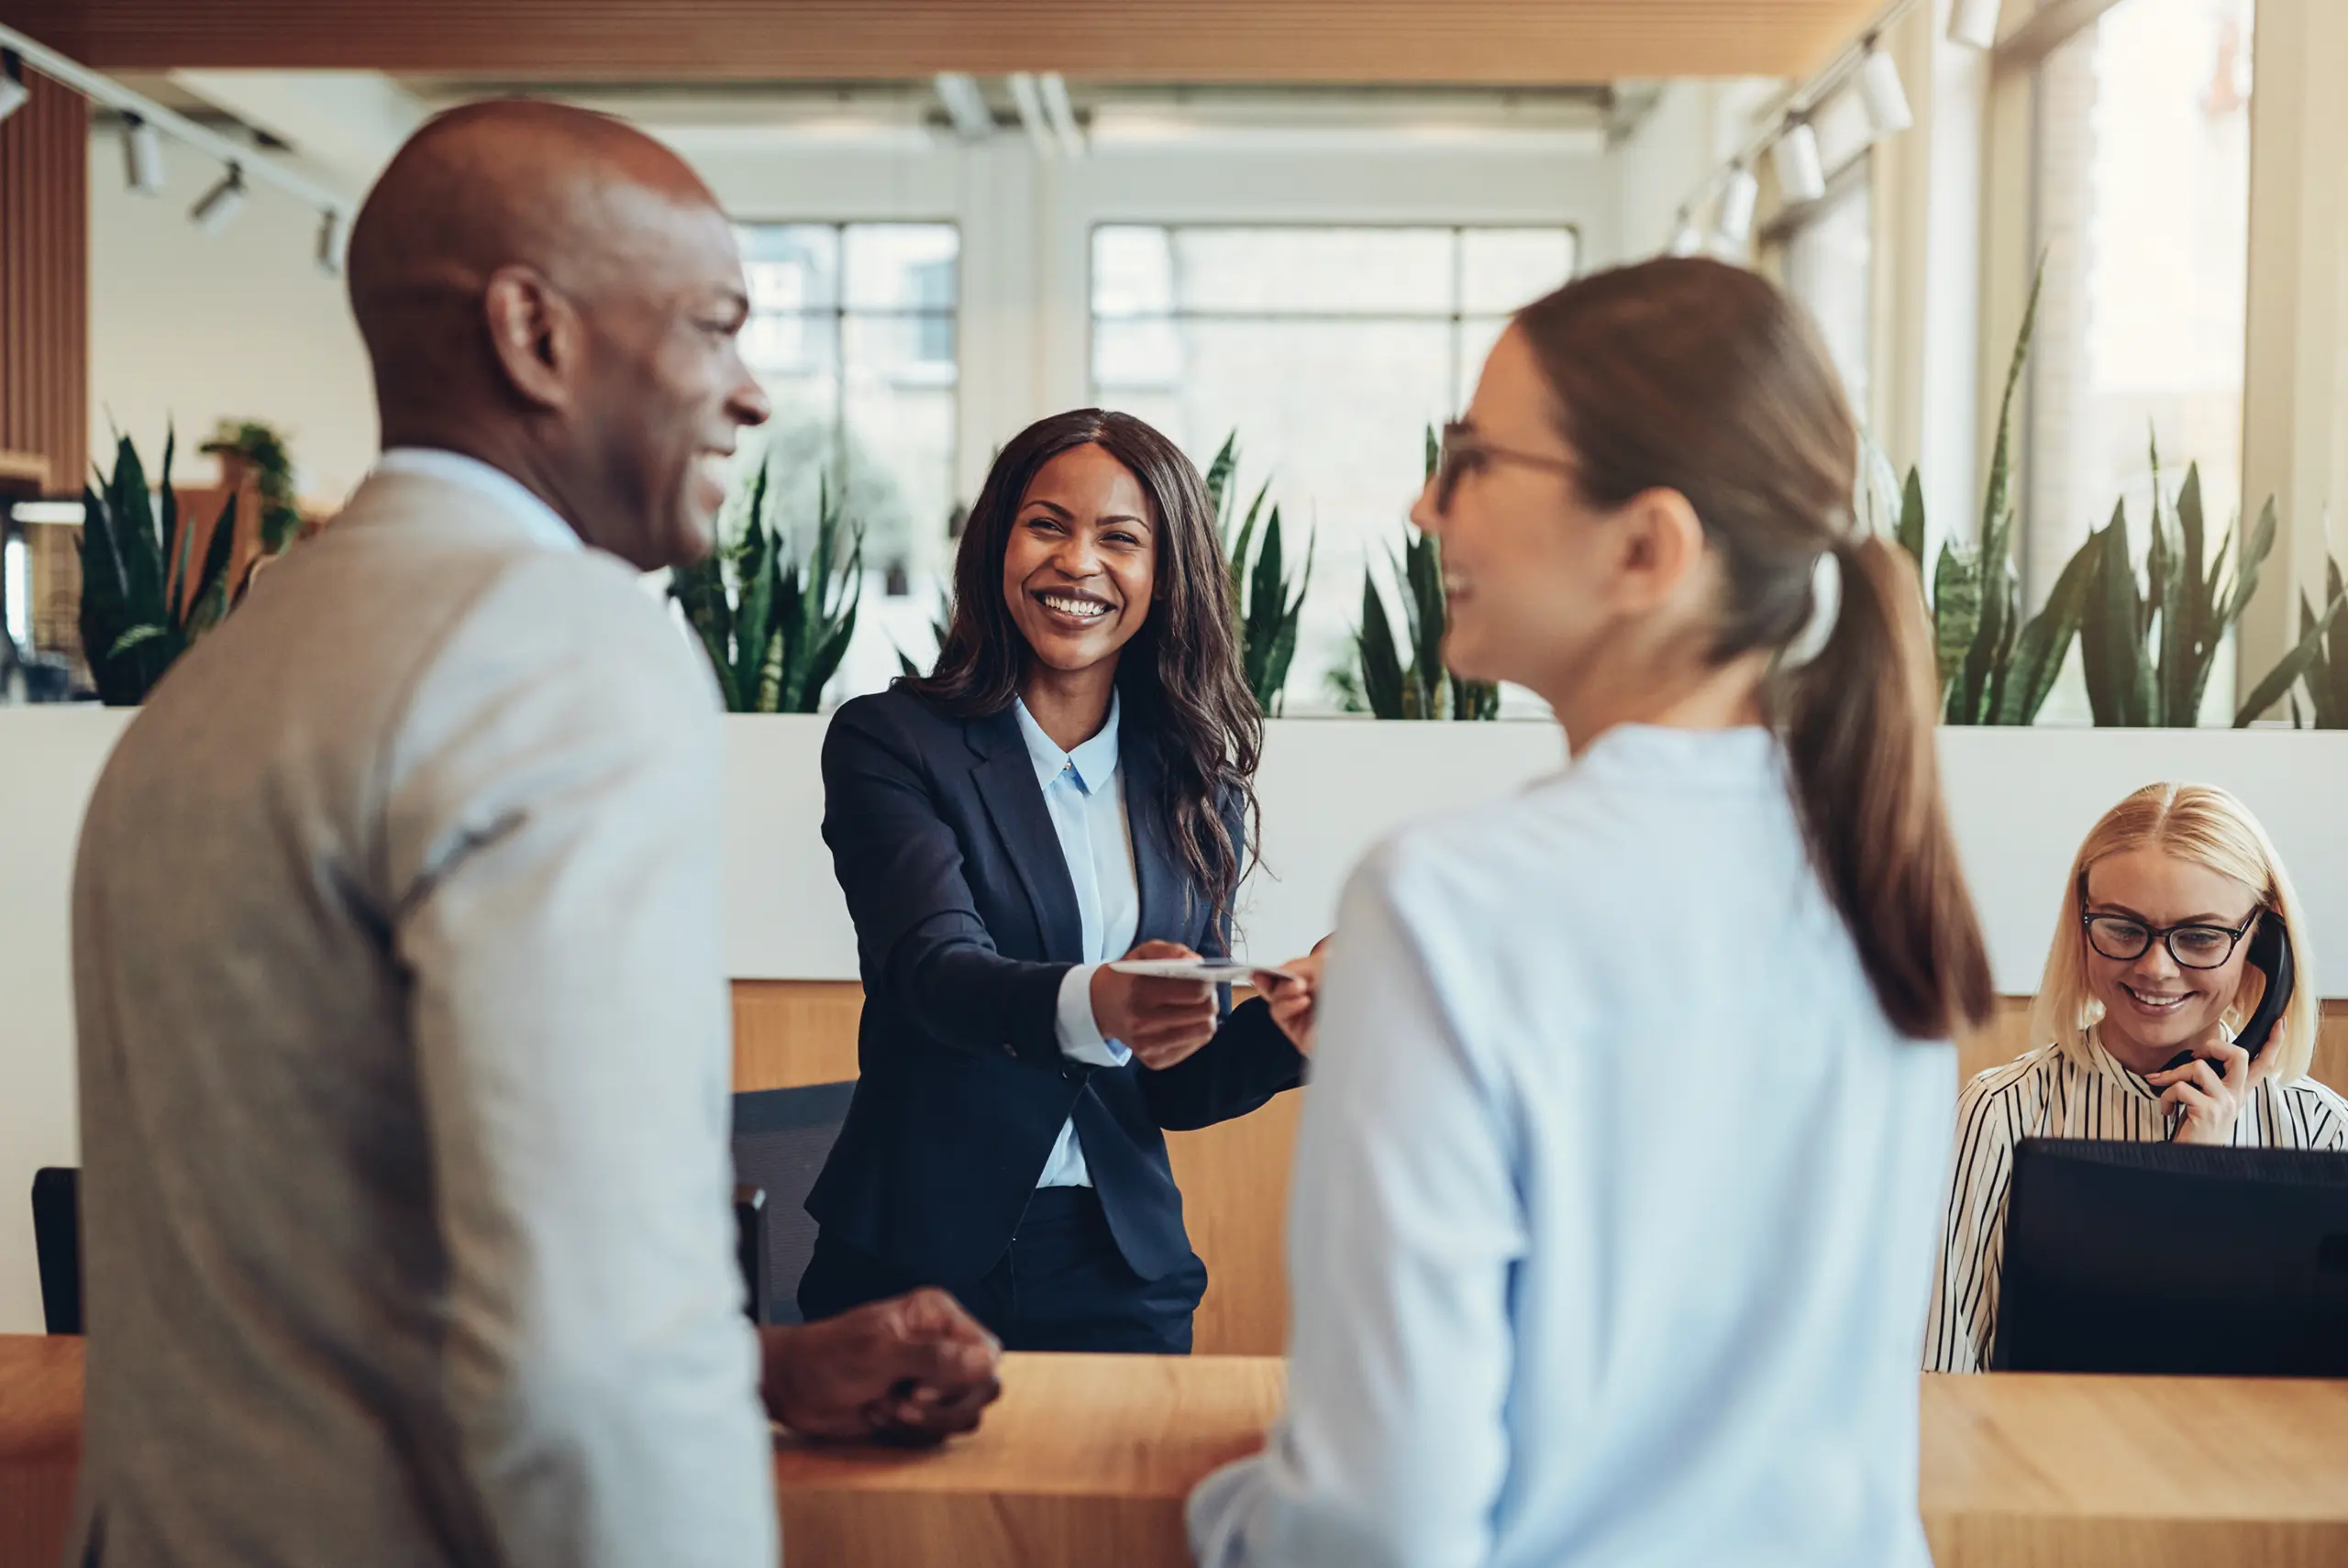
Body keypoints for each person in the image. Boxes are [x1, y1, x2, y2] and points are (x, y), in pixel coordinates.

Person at [68, 102, 999, 1568]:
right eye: (713, 324)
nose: (750, 394)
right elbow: (592, 1343)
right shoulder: (558, 646)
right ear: (533, 332)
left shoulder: (222, 674)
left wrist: (754, 1362)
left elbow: (329, 1256)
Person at [1187, 257, 1996, 1568]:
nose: (1425, 505)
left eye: (1473, 463)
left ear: (1646, 548)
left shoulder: (1446, 902)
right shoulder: (1878, 875)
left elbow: (1373, 1526)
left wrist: (1230, 1509)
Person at [802, 408, 1316, 1354]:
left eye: (1119, 539)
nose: (1076, 563)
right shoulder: (892, 742)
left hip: (1121, 1269)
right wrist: (1101, 1001)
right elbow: (933, 970)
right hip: (913, 1270)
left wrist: (1283, 1036)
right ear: (998, 545)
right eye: (1046, 525)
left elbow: (1174, 1084)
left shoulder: (1194, 787)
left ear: (1164, 579)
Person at [1925, 782, 2348, 1373]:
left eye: (2200, 937)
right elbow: (1944, 1372)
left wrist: (2214, 1175)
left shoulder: (2322, 1132)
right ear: (2082, 924)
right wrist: (2182, 1178)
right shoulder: (2000, 1114)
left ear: (2264, 946)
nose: (2155, 967)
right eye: (2123, 928)